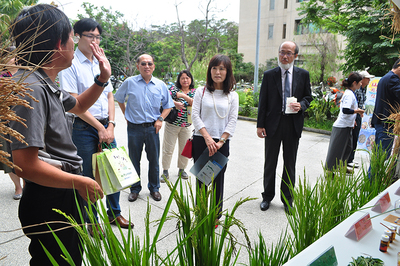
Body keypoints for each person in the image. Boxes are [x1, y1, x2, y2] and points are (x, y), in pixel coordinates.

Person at [9, 4, 110, 265]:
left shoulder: (43, 81)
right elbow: (25, 165)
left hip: (59, 190)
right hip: (50, 197)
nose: (73, 44)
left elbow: (78, 106)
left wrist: (102, 79)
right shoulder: (31, 88)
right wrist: (80, 182)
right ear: (58, 44)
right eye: (70, 37)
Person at [59, 18, 133, 236]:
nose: (94, 41)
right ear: (77, 36)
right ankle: (91, 220)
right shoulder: (70, 64)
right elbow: (73, 103)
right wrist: (99, 128)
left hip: (106, 125)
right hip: (82, 127)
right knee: (88, 176)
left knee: (114, 170)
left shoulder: (101, 61)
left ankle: (114, 212)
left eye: (97, 36)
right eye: (90, 36)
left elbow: (109, 95)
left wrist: (110, 125)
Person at [257, 41, 313, 213]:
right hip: (272, 125)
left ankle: (287, 199)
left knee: (290, 163)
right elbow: (263, 102)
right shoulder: (269, 75)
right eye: (282, 52)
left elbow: (308, 97)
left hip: (292, 125)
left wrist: (301, 105)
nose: (285, 56)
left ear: (295, 55)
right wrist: (260, 125)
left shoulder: (303, 74)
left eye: (289, 53)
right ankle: (267, 197)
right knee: (270, 163)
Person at [115, 54, 174, 202]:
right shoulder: (130, 82)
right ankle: (135, 189)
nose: (146, 66)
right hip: (134, 128)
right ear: (137, 66)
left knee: (154, 160)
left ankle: (154, 188)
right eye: (143, 63)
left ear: (154, 66)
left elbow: (168, 106)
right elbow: (119, 98)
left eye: (149, 63)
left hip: (152, 128)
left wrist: (160, 119)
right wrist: (126, 115)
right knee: (134, 160)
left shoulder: (160, 85)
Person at [191, 54, 238, 222]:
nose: (217, 72)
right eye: (214, 68)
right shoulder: (201, 91)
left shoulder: (232, 95)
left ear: (227, 72)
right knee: (202, 180)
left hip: (221, 144)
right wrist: (208, 138)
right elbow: (195, 116)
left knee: (218, 180)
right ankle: (200, 214)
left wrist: (220, 141)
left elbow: (232, 120)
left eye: (222, 69)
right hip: (201, 141)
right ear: (210, 70)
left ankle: (216, 216)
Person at [325, 72, 365, 173]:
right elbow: (345, 110)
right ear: (355, 83)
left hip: (348, 125)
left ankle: (342, 166)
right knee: (336, 149)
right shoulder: (349, 94)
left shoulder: (351, 93)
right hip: (342, 126)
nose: (361, 84)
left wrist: (353, 119)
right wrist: (358, 111)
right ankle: (329, 171)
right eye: (360, 82)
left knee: (348, 148)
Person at [161, 70, 195, 182]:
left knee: (184, 149)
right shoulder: (173, 89)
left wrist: (182, 96)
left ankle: (182, 169)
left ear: (191, 79)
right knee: (168, 148)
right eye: (182, 78)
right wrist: (175, 103)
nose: (185, 80)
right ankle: (165, 171)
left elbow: (195, 103)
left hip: (187, 125)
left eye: (187, 78)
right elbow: (165, 99)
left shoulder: (195, 92)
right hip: (172, 124)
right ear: (179, 80)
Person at [0, 46, 23, 200]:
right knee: (8, 156)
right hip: (5, 121)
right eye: (10, 56)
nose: (13, 59)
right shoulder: (2, 77)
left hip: (23, 120)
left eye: (15, 56)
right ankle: (18, 186)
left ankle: (29, 184)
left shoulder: (26, 75)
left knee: (26, 153)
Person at [371, 59, 400, 163]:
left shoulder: (386, 77)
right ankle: (375, 179)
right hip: (386, 123)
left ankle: (373, 179)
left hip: (381, 122)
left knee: (378, 157)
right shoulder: (393, 78)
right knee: (382, 156)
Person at [347, 70, 374, 168]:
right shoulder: (356, 90)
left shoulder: (362, 89)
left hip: (358, 115)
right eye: (367, 78)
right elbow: (352, 106)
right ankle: (348, 160)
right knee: (352, 138)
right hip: (354, 114)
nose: (369, 80)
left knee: (355, 137)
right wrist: (354, 117)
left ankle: (351, 159)